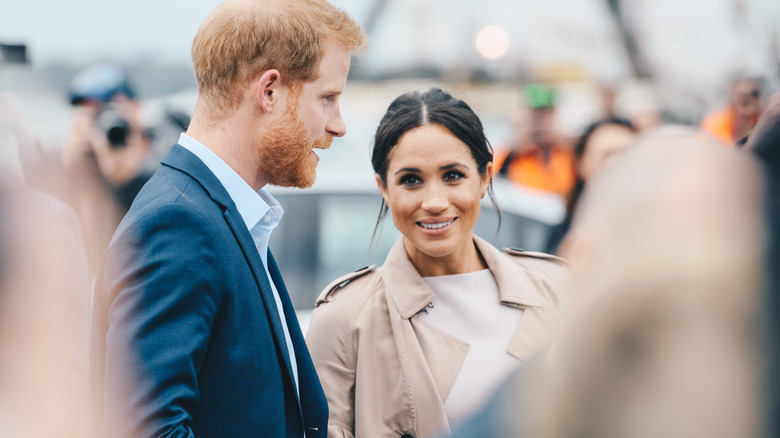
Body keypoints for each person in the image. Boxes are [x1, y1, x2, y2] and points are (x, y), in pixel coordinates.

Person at [90, 1, 366, 437]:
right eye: (328, 98)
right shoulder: (178, 225)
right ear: (269, 91)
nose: (339, 125)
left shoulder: (214, 214)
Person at [306, 88, 566, 438]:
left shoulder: (559, 287)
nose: (434, 201)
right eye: (411, 180)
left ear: (485, 177)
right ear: (384, 187)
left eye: (453, 175)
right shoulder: (343, 319)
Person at [63, 64, 189, 274]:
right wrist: (74, 168)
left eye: (110, 108)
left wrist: (132, 172)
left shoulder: (170, 143)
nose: (107, 119)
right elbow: (86, 253)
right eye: (94, 114)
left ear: (136, 106)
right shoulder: (85, 162)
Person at [545, 117, 635, 253]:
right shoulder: (561, 236)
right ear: (580, 163)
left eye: (625, 154)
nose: (616, 163)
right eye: (606, 155)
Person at [493, 83, 576, 197]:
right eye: (535, 115)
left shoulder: (567, 150)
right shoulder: (508, 151)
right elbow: (491, 182)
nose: (540, 123)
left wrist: (567, 142)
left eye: (546, 114)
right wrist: (514, 149)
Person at [700, 75, 763, 146]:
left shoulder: (768, 123)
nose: (748, 99)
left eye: (754, 94)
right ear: (732, 100)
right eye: (742, 96)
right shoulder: (715, 125)